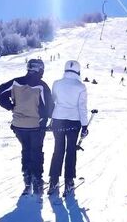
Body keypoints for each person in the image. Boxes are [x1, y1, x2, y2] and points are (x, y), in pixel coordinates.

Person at [0, 59, 53, 196]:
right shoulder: (41, 86)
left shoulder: (15, 82)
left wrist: (10, 106)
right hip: (35, 126)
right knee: (36, 152)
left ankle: (27, 180)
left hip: (19, 125)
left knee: (26, 150)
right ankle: (37, 181)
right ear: (39, 70)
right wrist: (45, 118)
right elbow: (49, 108)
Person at [48, 60, 88, 196]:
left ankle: (53, 181)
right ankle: (69, 182)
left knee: (58, 150)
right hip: (74, 121)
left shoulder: (57, 83)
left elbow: (52, 101)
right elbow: (82, 107)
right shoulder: (81, 86)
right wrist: (84, 125)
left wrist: (50, 119)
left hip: (58, 120)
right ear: (78, 71)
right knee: (71, 151)